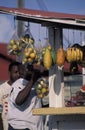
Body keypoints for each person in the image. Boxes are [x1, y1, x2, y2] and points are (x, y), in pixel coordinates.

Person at [7, 64, 44, 130]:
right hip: (20, 127)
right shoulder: (18, 83)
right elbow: (19, 100)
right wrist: (32, 81)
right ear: (21, 71)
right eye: (28, 68)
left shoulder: (35, 85)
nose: (31, 70)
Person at [0, 61, 22, 130]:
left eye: (20, 72)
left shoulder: (24, 88)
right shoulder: (1, 89)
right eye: (15, 72)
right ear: (9, 73)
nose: (18, 75)